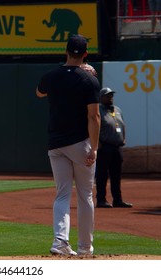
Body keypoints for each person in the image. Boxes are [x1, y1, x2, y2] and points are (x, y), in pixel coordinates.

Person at [36, 34, 101, 256]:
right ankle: (84, 247)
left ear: (65, 51)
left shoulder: (51, 76)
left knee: (62, 194)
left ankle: (60, 242)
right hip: (80, 143)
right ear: (85, 54)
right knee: (85, 196)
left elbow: (39, 92)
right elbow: (94, 117)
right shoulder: (89, 79)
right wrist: (95, 148)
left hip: (55, 144)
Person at [95, 87, 133, 208]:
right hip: (104, 147)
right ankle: (101, 200)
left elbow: (123, 125)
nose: (110, 97)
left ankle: (118, 200)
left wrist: (123, 138)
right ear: (101, 98)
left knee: (116, 175)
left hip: (117, 147)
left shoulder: (117, 110)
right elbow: (93, 126)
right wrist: (97, 143)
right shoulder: (98, 110)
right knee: (102, 174)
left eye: (111, 95)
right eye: (107, 95)